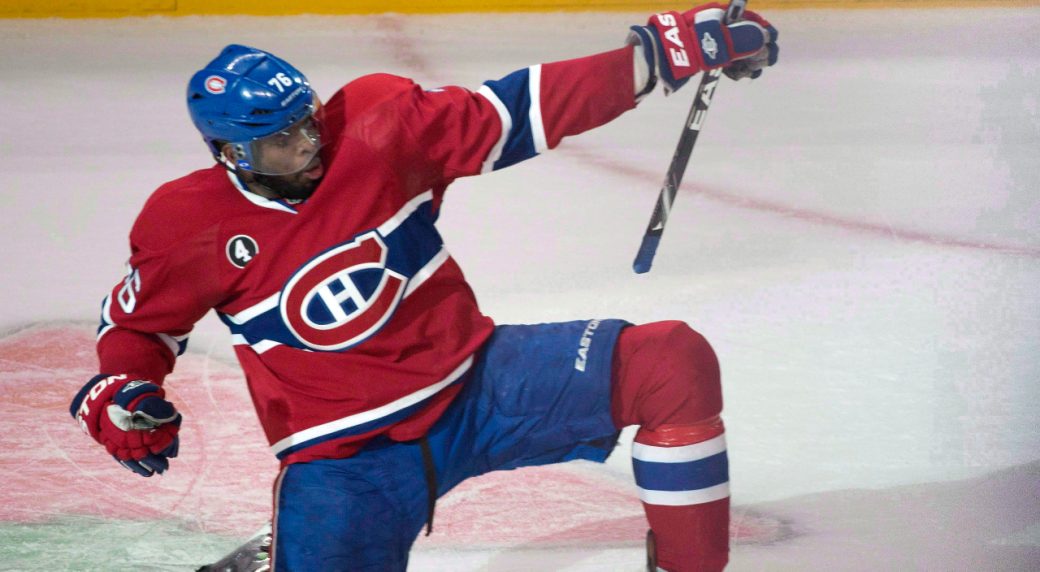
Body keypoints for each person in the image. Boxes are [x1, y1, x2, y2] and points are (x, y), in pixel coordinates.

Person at [68, 4, 778, 571]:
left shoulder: (377, 126)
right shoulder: (188, 222)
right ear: (230, 154)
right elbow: (138, 327)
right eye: (281, 143)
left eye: (307, 124)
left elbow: (521, 110)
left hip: (479, 384)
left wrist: (655, 56)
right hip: (347, 461)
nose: (308, 146)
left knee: (670, 364)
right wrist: (123, 391)